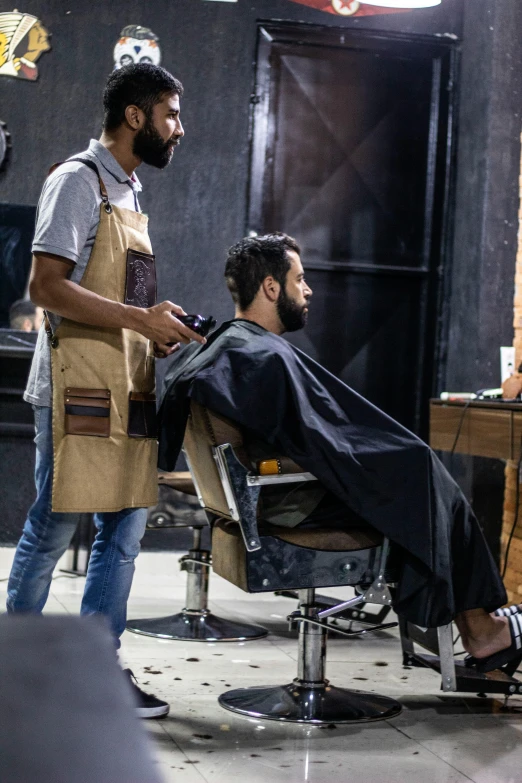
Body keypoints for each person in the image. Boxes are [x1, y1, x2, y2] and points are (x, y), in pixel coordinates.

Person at [158, 232, 522, 675]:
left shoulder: (234, 347)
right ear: (272, 288)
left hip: (269, 498)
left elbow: (311, 433)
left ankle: (479, 627)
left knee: (418, 477)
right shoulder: (260, 356)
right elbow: (319, 440)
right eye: (300, 279)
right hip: (288, 505)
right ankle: (482, 632)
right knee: (424, 478)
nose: (307, 290)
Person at [7, 63, 206, 719]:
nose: (180, 128)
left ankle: (93, 672)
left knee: (124, 527)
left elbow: (119, 294)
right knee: (56, 520)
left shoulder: (130, 192)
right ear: (134, 116)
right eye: (171, 114)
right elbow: (46, 287)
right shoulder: (77, 180)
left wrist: (156, 322)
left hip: (127, 383)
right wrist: (136, 319)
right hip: (74, 390)